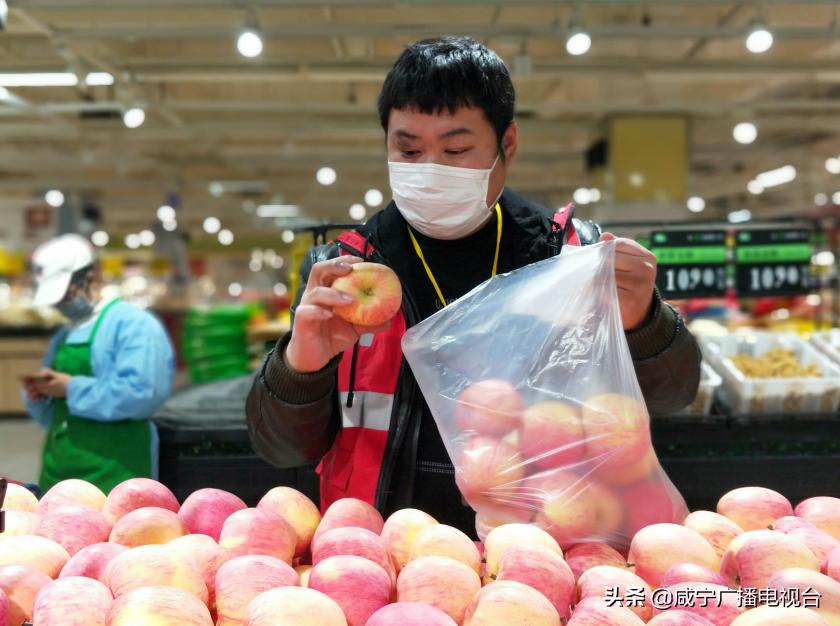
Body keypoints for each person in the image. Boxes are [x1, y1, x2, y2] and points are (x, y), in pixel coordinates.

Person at [247, 37, 701, 532]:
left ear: (506, 145)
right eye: (408, 149)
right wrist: (301, 368)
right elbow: (281, 448)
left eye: (456, 148)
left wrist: (644, 324)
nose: (430, 169)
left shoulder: (570, 256)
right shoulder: (341, 271)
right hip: (385, 549)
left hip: (545, 539)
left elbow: (674, 396)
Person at [23, 234, 174, 494]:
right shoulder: (63, 335)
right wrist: (40, 396)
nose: (61, 304)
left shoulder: (133, 325)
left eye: (65, 295)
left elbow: (143, 393)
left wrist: (71, 389)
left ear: (89, 277)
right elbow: (52, 416)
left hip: (116, 470)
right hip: (59, 468)